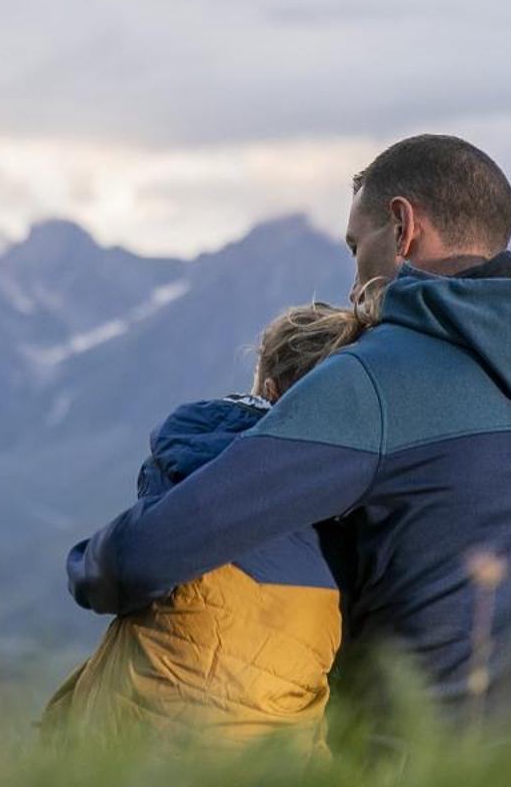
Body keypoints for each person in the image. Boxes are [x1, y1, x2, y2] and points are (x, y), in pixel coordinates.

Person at [67, 135, 511, 719]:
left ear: (401, 227)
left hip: (430, 768)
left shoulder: (377, 377)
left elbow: (144, 558)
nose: (351, 286)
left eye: (354, 246)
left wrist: (90, 563)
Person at [43, 300, 377, 749]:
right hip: (276, 766)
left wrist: (84, 560)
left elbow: (111, 572)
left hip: (140, 743)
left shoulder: (198, 461)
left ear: (269, 388)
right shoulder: (360, 502)